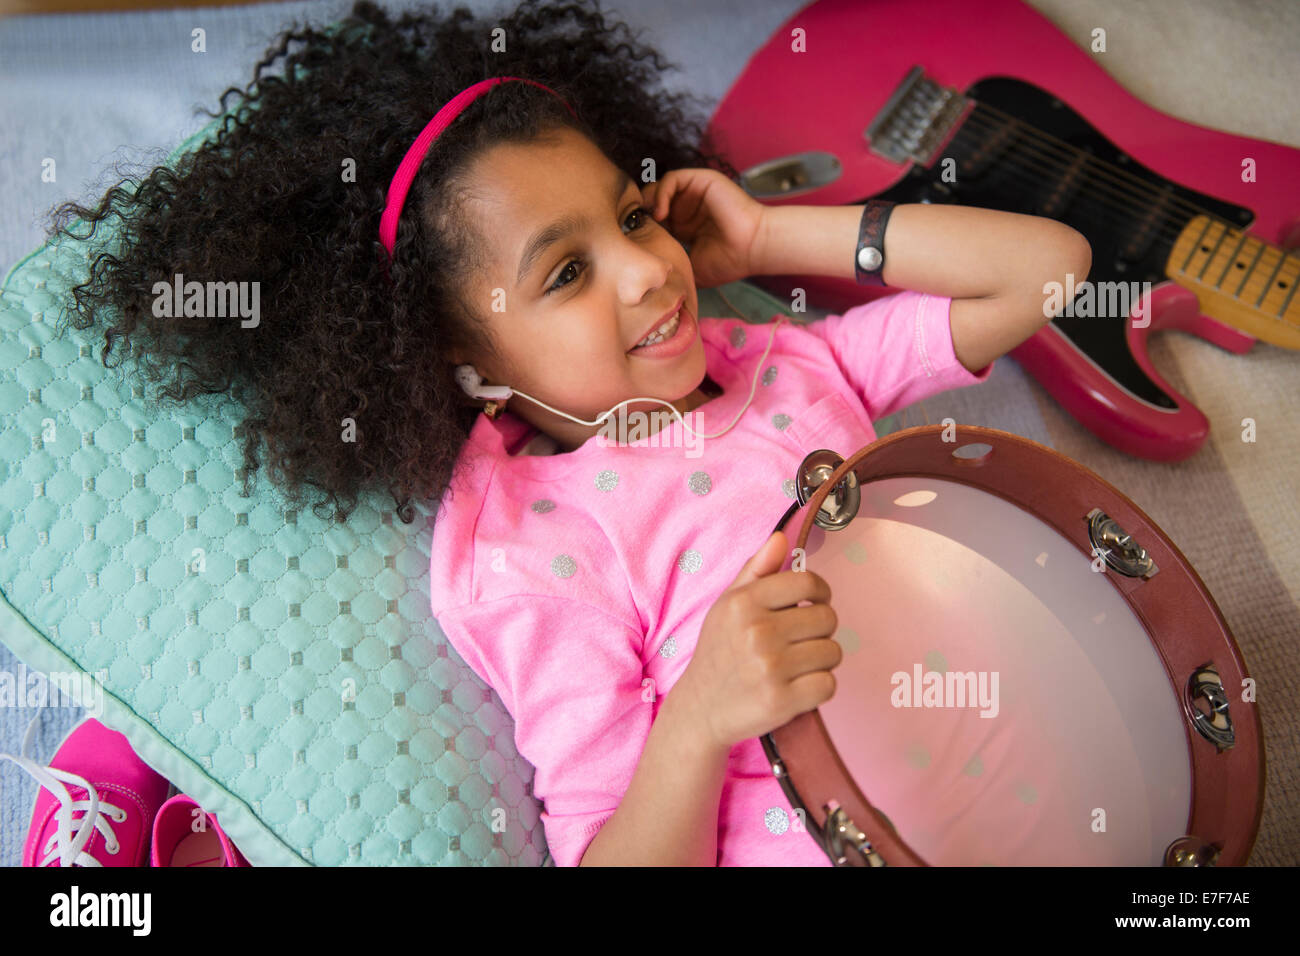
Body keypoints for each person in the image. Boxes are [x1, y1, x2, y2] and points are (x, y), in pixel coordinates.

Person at [46, 0, 1090, 866]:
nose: (644, 269)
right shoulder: (538, 544)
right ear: (473, 370)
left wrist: (772, 234)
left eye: (631, 216)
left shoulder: (787, 365)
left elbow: (1051, 265)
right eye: (565, 272)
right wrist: (699, 715)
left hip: (1029, 790)